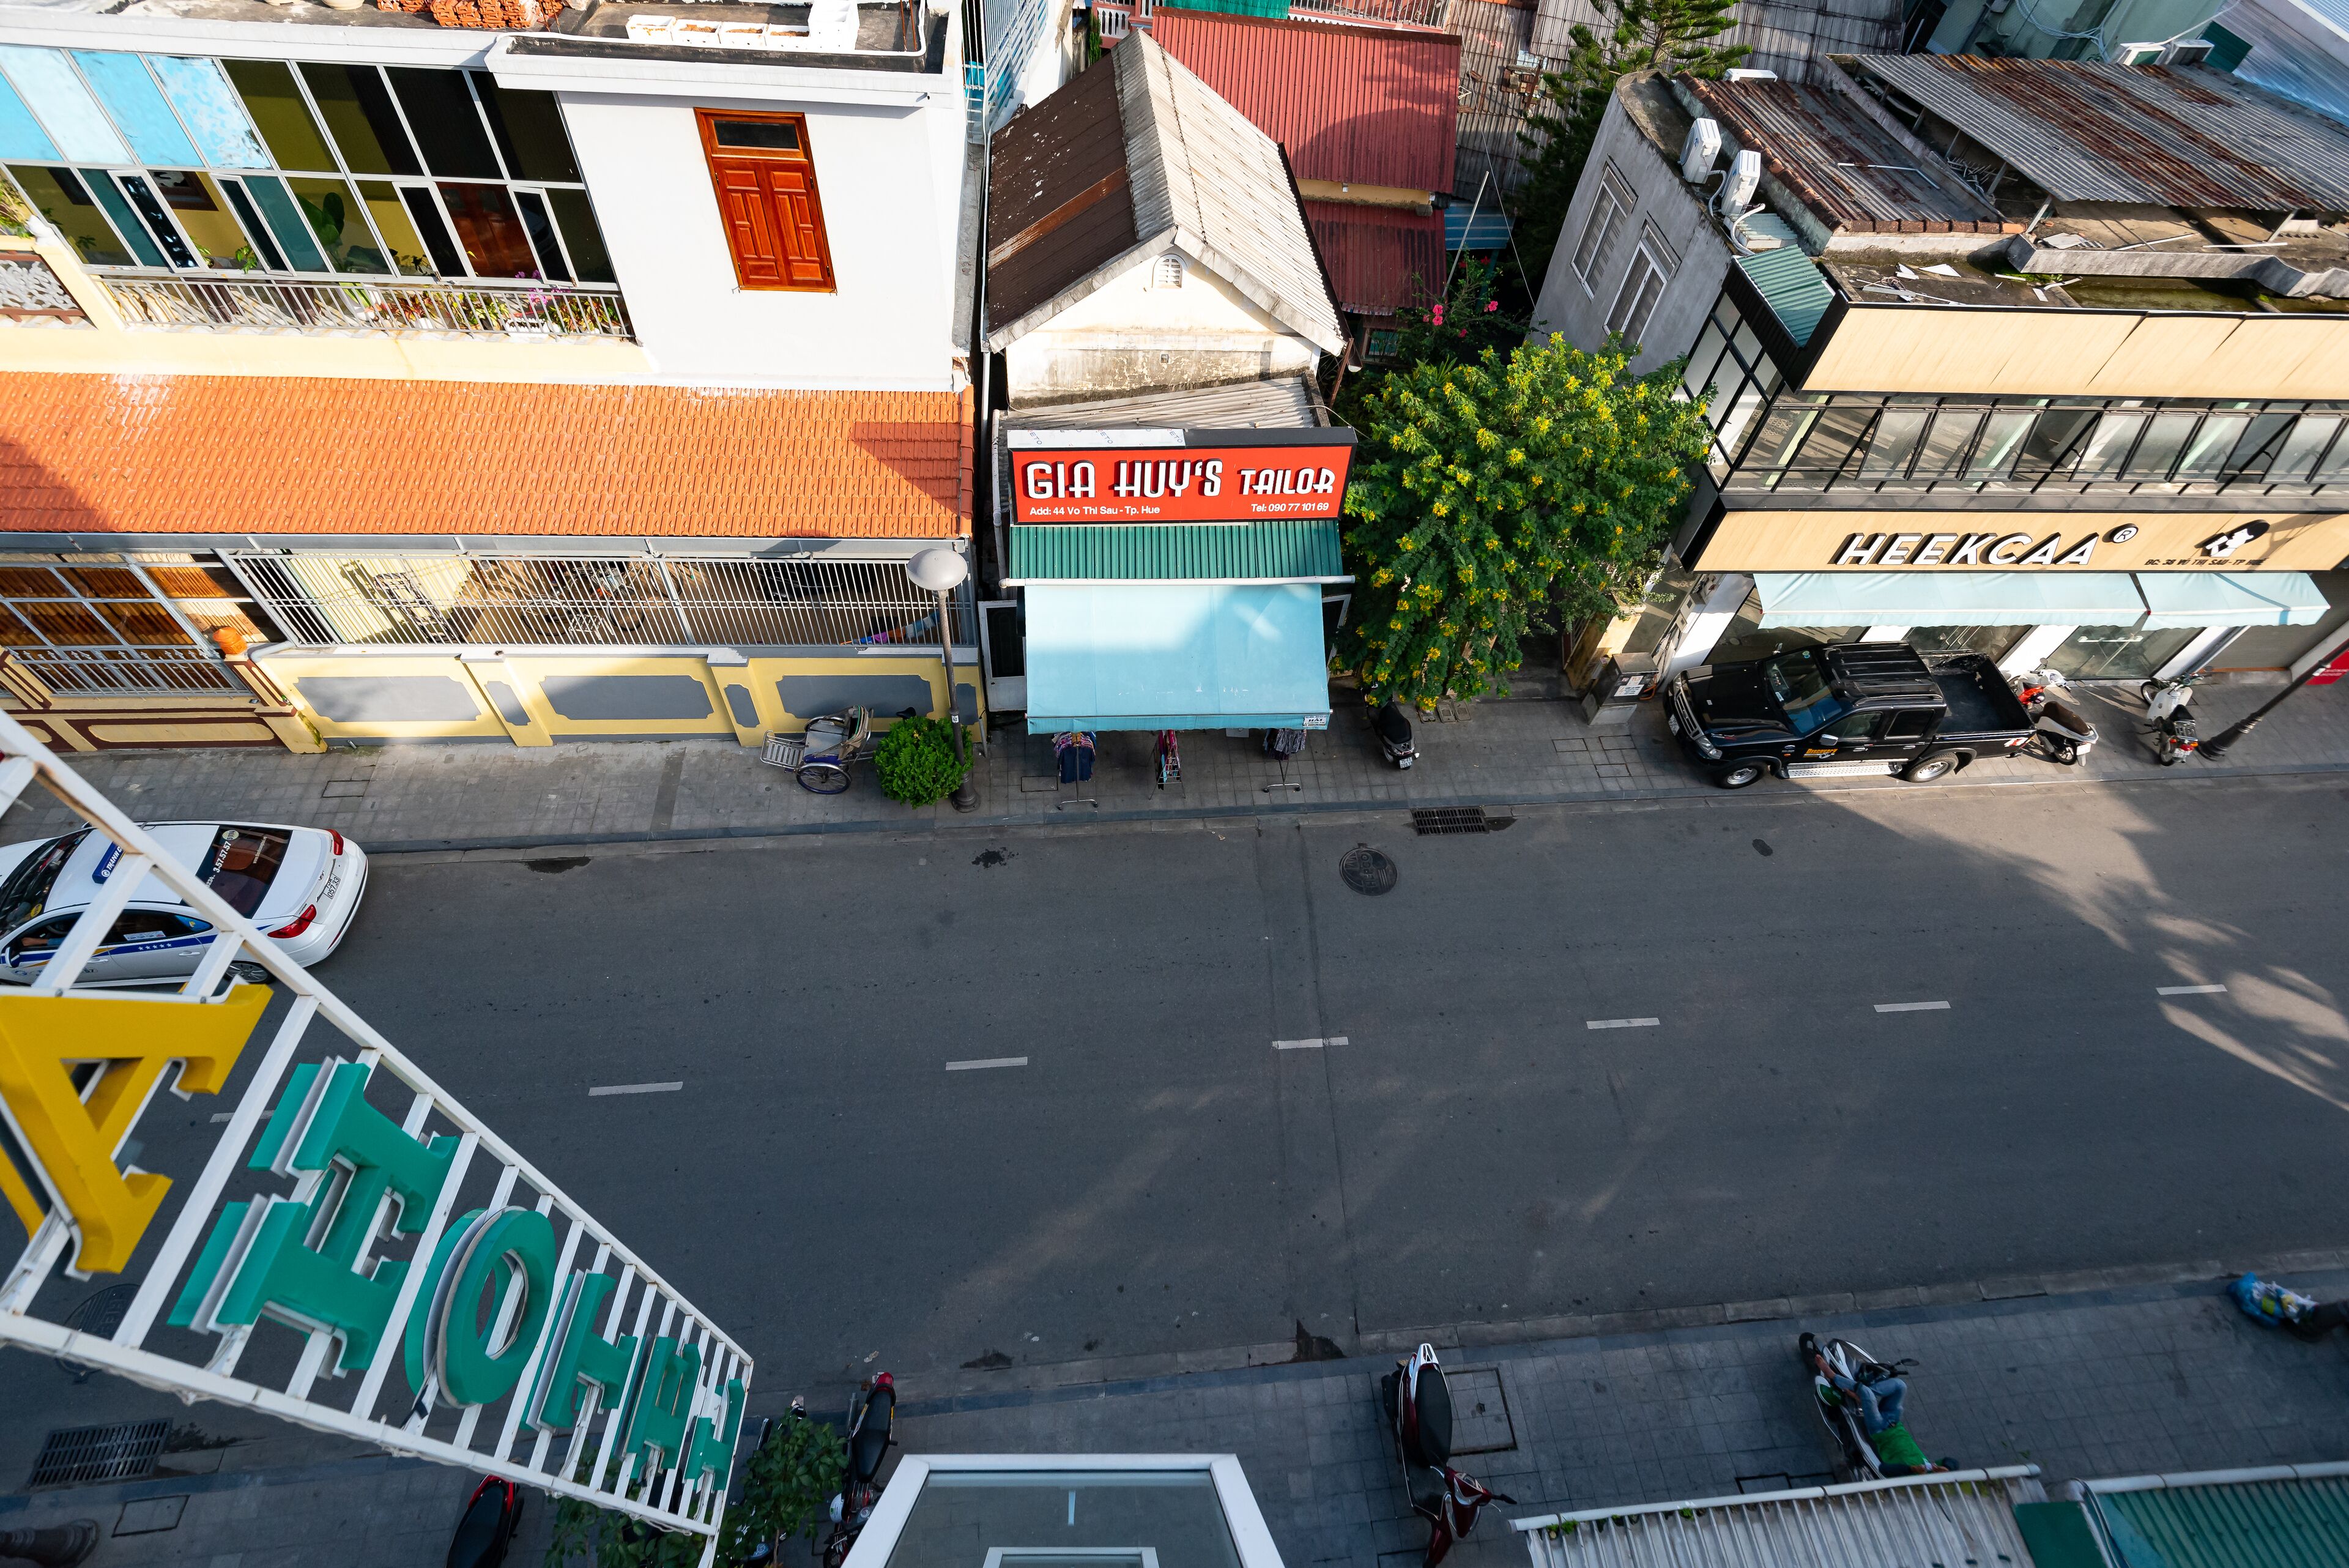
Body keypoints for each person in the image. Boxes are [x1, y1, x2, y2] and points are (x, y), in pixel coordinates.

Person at [1803, 1333, 1945, 1477]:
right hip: (1895, 1423)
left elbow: (1885, 1469)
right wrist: (1945, 1467)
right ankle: (1860, 1395)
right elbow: (1949, 1462)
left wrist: (1912, 1470)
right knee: (1900, 1386)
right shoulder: (1934, 1474)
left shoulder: (1908, 1479)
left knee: (1867, 1394)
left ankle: (1832, 1375)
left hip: (1879, 1431)